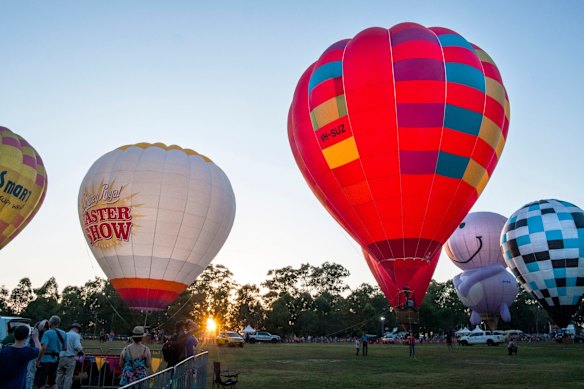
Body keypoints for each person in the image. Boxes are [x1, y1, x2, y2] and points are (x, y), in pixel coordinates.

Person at [35, 315, 67, 389]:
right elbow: (65, 348)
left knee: (41, 382)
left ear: (50, 323)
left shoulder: (47, 333)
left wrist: (38, 360)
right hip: (55, 360)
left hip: (45, 360)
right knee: (52, 382)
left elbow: (44, 348)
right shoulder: (63, 333)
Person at [56, 323, 83, 389]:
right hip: (70, 358)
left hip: (61, 357)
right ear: (77, 329)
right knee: (68, 377)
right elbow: (77, 346)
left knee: (59, 376)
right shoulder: (76, 335)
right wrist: (81, 350)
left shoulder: (64, 334)